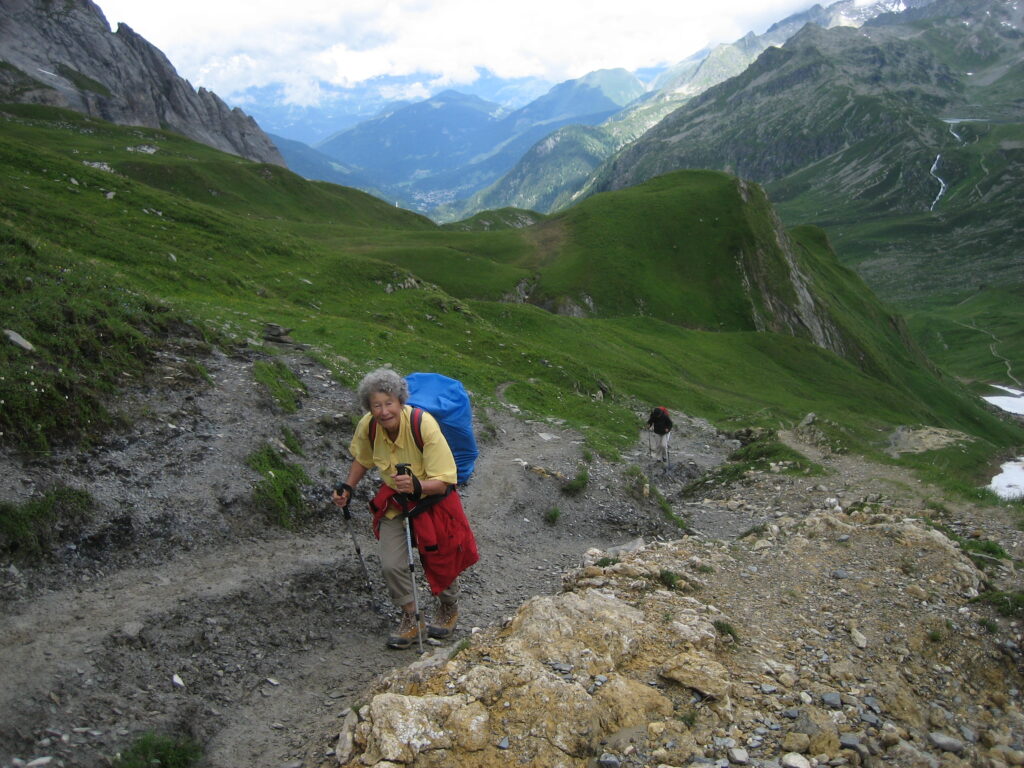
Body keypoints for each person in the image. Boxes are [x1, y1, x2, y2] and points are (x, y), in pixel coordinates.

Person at [331, 367, 478, 650]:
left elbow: (446, 478)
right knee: (391, 564)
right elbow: (363, 458)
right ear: (369, 407)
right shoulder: (369, 426)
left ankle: (448, 607)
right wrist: (348, 487)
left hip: (433, 497)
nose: (384, 411)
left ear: (400, 401)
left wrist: (418, 487)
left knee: (441, 557)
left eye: (389, 403)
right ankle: (412, 617)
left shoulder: (424, 425)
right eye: (377, 405)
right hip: (396, 498)